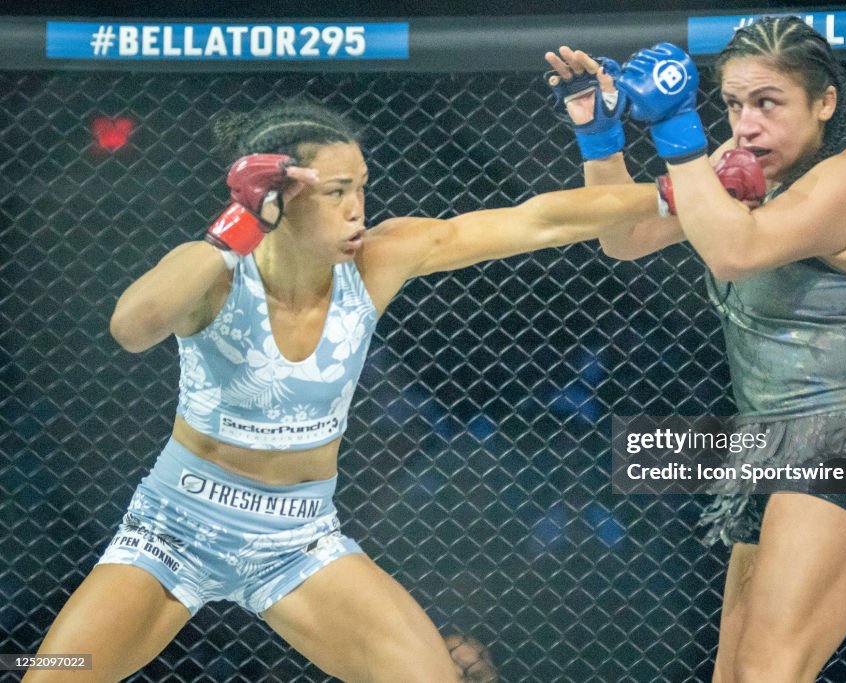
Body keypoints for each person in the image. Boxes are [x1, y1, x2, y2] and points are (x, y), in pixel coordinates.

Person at [26, 101, 658, 683]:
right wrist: (237, 227)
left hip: (298, 538)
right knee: (52, 673)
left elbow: (538, 221)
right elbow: (132, 328)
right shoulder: (216, 270)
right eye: (336, 192)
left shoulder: (378, 261)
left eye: (361, 186)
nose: (358, 207)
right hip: (175, 529)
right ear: (277, 199)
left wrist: (671, 190)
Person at [546, 16, 846, 682]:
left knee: (767, 672)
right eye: (732, 104)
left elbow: (735, 249)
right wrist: (599, 132)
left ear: (824, 102)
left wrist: (678, 132)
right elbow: (624, 238)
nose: (746, 125)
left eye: (768, 103)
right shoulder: (731, 164)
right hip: (767, 447)